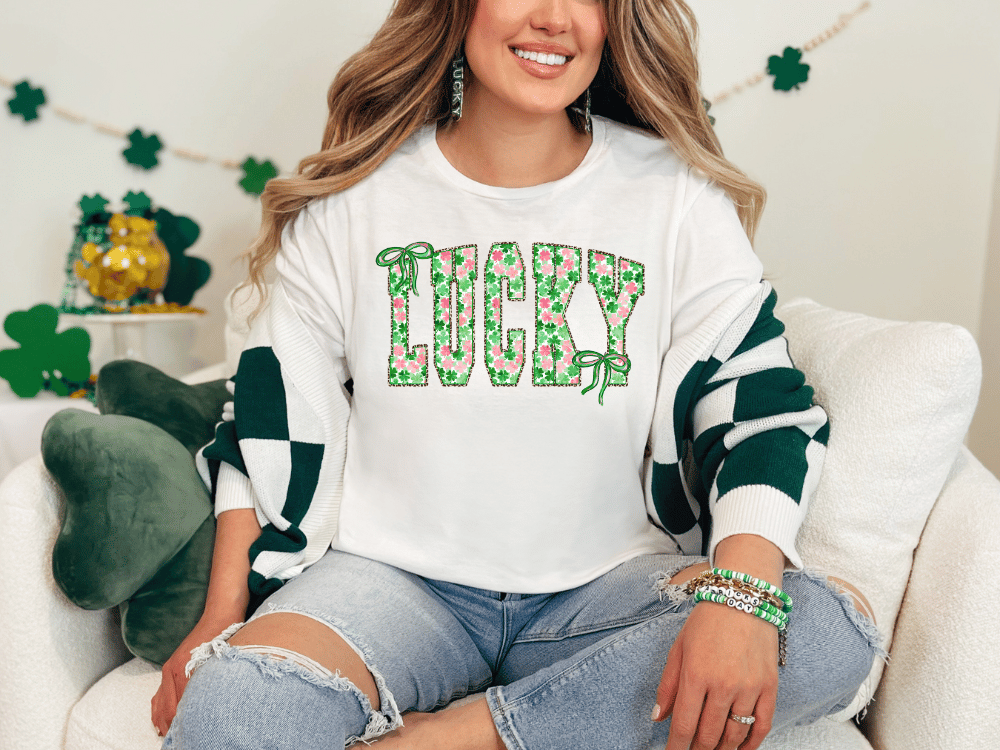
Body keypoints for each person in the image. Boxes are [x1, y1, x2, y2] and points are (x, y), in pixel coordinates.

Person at [152, 1, 882, 748]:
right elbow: (268, 422)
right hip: (390, 587)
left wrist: (746, 594)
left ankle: (467, 737)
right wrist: (220, 623)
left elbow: (759, 407)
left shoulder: (675, 195)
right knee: (233, 713)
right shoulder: (355, 199)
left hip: (605, 591)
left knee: (829, 630)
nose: (554, 18)